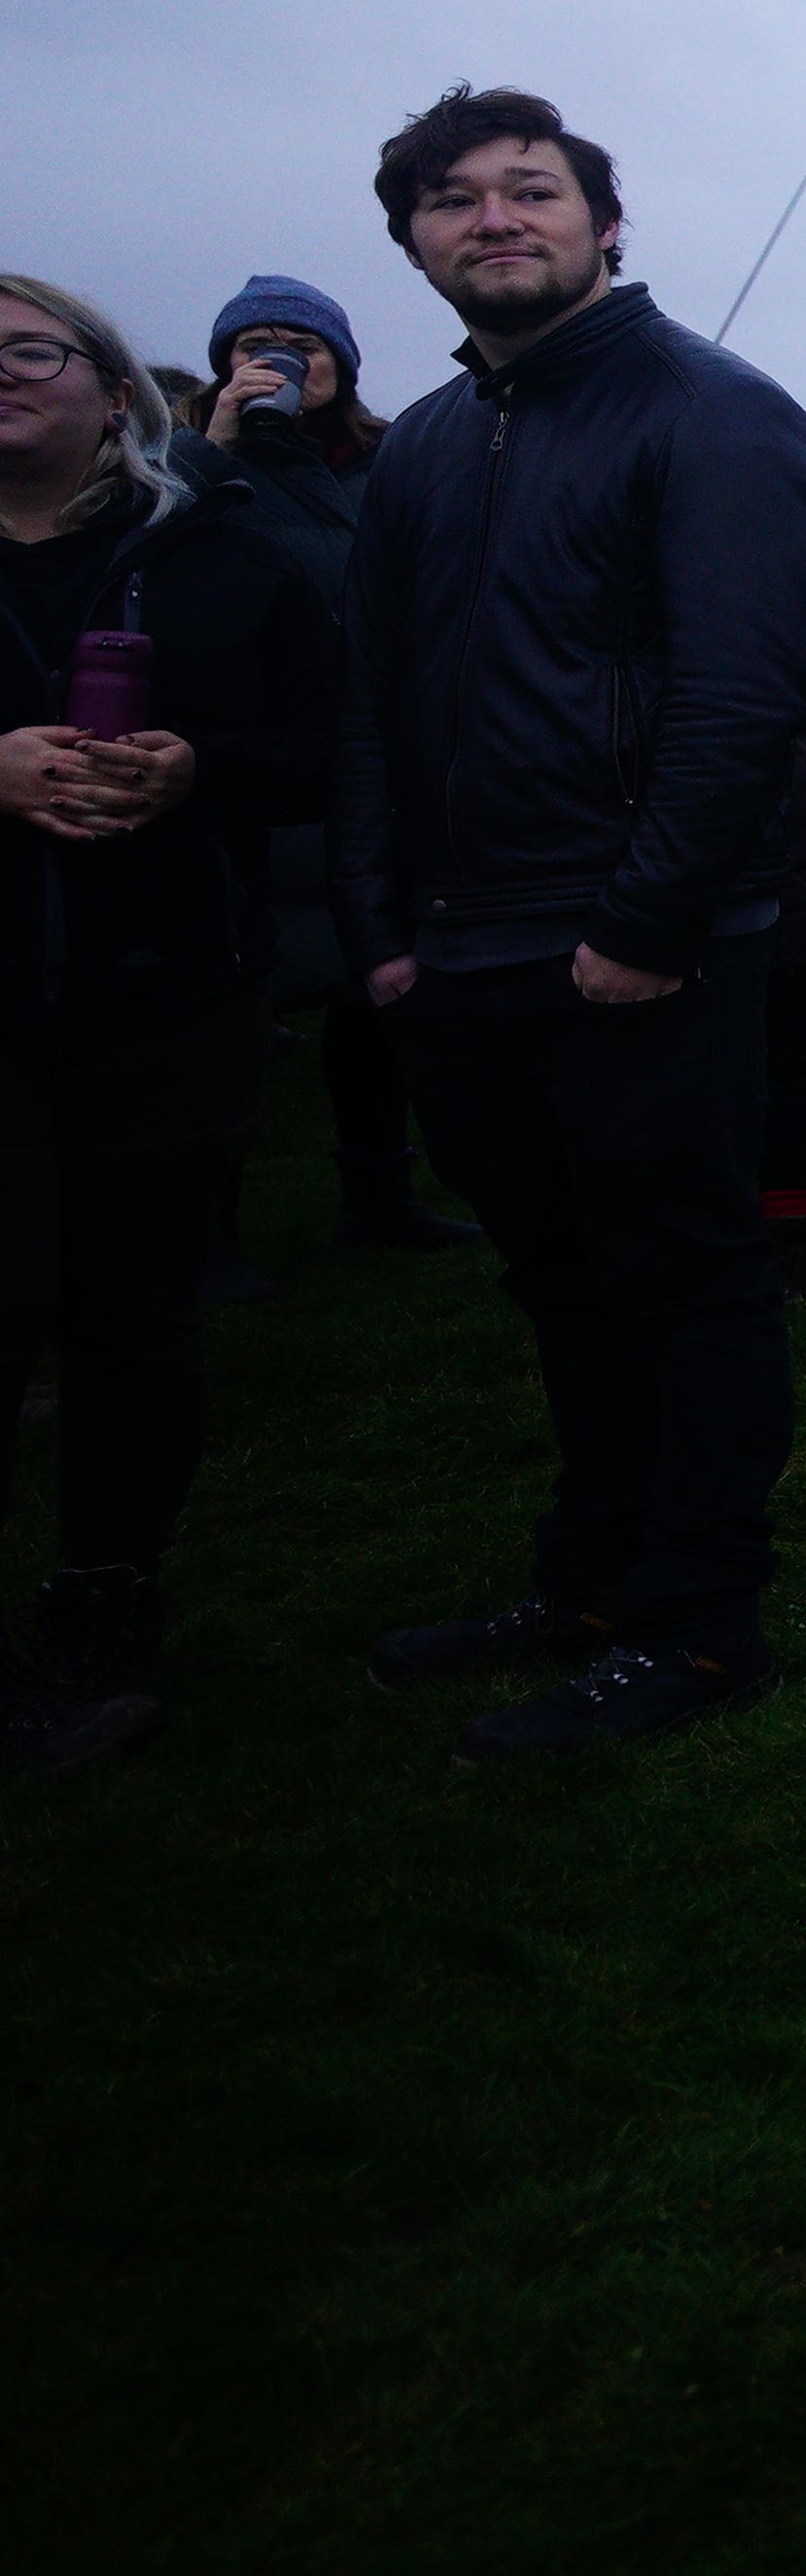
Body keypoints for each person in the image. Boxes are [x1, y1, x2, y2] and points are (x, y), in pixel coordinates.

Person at [338, 87, 806, 1758]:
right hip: (462, 946)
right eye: (452, 199)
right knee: (558, 1282)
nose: (494, 217)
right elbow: (377, 702)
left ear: (604, 223)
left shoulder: (709, 412)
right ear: (413, 243)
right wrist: (387, 925)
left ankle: (700, 1629)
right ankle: (594, 1579)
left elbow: (744, 693)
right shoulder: (418, 441)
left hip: (639, 938)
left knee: (687, 1280)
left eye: (530, 189)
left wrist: (649, 920)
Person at [0, 276, 342, 1767]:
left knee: (136, 1322)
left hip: (167, 997)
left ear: (106, 381)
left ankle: (104, 1603)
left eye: (27, 349)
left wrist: (196, 772)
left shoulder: (217, 551)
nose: (0, 377)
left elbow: (328, 746)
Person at [176, 275, 463, 1251]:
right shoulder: (194, 466)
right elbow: (152, 558)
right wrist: (215, 442)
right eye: (254, 342)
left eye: (303, 341)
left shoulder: (388, 463)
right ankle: (202, 1232)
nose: (282, 357)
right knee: (226, 1006)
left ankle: (379, 1198)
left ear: (342, 361)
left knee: (375, 990)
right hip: (248, 760)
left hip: (375, 754)